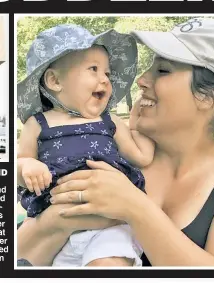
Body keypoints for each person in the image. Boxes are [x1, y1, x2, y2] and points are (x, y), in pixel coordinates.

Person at [18, 17, 214, 267]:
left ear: (208, 97)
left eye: (162, 70)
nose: (141, 79)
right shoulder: (111, 149)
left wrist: (135, 208)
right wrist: (59, 220)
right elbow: (15, 257)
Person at [17, 24, 155, 267]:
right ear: (54, 80)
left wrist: (139, 127)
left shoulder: (109, 121)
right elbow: (19, 164)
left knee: (108, 264)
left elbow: (142, 156)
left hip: (110, 227)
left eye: (108, 73)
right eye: (93, 69)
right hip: (59, 235)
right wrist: (27, 165)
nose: (104, 79)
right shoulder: (37, 124)